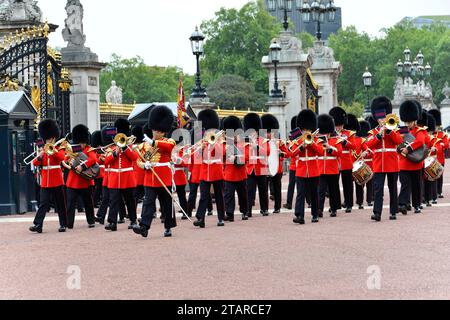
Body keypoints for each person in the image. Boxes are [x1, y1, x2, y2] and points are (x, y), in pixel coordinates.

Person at [133, 105, 177, 238]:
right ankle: (144, 227)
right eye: (155, 131)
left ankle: (168, 227)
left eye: (159, 131)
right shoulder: (145, 145)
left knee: (166, 203)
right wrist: (144, 165)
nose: (156, 133)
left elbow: (168, 147)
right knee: (148, 203)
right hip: (150, 178)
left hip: (163, 177)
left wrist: (153, 143)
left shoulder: (169, 141)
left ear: (164, 132)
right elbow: (139, 161)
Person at [366, 97, 403, 222]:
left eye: (383, 118)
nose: (381, 120)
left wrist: (389, 131)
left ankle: (393, 212)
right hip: (378, 164)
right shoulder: (373, 132)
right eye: (380, 118)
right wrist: (378, 136)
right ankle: (377, 212)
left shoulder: (393, 128)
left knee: (393, 189)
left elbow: (399, 141)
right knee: (378, 190)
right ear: (376, 119)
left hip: (392, 163)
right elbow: (369, 144)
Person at [29, 119, 67, 234]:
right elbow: (35, 163)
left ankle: (63, 224)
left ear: (54, 137)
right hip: (46, 180)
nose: (48, 140)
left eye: (49, 138)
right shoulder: (43, 149)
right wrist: (40, 156)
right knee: (43, 203)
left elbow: (62, 158)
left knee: (60, 204)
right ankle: (38, 224)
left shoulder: (59, 147)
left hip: (57, 180)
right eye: (47, 138)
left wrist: (53, 150)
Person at [193, 109, 226, 228]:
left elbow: (221, 153)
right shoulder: (202, 142)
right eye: (207, 131)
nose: (208, 132)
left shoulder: (220, 140)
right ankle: (201, 218)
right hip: (205, 171)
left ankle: (221, 218)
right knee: (203, 196)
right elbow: (196, 157)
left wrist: (213, 144)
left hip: (216, 170)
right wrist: (201, 148)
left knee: (219, 195)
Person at [105, 119, 139, 232]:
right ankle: (112, 222)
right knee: (113, 201)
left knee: (130, 200)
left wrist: (124, 149)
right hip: (115, 179)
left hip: (127, 178)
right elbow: (106, 161)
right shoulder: (112, 149)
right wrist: (115, 153)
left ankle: (133, 220)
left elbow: (134, 158)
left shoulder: (130, 148)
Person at [291, 110, 322, 224]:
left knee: (314, 194)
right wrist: (301, 147)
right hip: (301, 170)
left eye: (307, 130)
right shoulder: (297, 140)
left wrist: (311, 143)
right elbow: (292, 153)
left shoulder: (316, 139)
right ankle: (299, 216)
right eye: (304, 130)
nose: (306, 131)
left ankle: (315, 215)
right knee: (300, 194)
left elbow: (320, 151)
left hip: (313, 170)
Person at [398, 101, 428, 215]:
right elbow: (397, 143)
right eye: (406, 121)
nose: (408, 124)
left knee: (416, 186)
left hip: (415, 163)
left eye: (409, 121)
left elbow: (420, 142)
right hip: (404, 163)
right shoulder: (402, 131)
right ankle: (402, 204)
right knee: (404, 184)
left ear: (415, 120)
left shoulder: (420, 130)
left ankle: (416, 205)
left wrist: (409, 149)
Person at [65, 124, 97, 229]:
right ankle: (69, 223)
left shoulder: (89, 149)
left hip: (85, 181)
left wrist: (82, 166)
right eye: (79, 142)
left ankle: (91, 221)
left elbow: (93, 159)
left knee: (88, 203)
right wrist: (69, 161)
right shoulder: (72, 148)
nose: (81, 145)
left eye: (82, 143)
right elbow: (65, 159)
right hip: (73, 181)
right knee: (70, 204)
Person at [222, 116, 249, 222]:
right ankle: (229, 214)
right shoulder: (226, 144)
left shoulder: (243, 143)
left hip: (241, 173)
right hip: (229, 173)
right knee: (228, 195)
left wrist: (236, 158)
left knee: (242, 195)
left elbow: (247, 157)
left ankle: (244, 212)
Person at [330, 107, 355, 213]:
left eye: (340, 125)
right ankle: (335, 205)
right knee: (334, 185)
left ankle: (349, 204)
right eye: (337, 125)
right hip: (335, 162)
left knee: (347, 184)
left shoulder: (349, 134)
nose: (339, 127)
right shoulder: (330, 134)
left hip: (346, 161)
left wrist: (344, 142)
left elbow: (353, 146)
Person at [317, 114, 343, 218]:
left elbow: (339, 152)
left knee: (333, 190)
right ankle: (319, 209)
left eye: (327, 132)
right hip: (321, 168)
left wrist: (329, 148)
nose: (326, 134)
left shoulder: (336, 140)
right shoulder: (318, 140)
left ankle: (334, 209)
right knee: (321, 190)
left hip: (332, 168)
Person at [245, 113, 270, 218]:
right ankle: (248, 210)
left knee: (263, 190)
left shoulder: (263, 140)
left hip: (261, 168)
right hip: (250, 169)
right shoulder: (246, 142)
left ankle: (264, 209)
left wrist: (257, 147)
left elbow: (267, 152)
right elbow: (245, 155)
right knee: (250, 191)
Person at [262, 114, 287, 214]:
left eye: (270, 132)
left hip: (277, 168)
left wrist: (281, 154)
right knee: (264, 189)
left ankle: (277, 207)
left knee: (277, 188)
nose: (268, 134)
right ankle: (265, 208)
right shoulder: (261, 142)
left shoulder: (279, 142)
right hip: (265, 168)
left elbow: (288, 153)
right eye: (267, 132)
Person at [428, 109, 448, 199]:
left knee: (440, 176)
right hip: (431, 159)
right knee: (432, 177)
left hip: (440, 159)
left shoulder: (442, 134)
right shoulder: (429, 135)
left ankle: (439, 192)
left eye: (436, 126)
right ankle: (433, 192)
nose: (435, 127)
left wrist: (442, 145)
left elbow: (446, 144)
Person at [355, 120, 374, 209]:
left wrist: (366, 153)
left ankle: (369, 200)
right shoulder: (358, 140)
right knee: (360, 183)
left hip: (370, 163)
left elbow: (372, 152)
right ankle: (360, 201)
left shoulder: (370, 139)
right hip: (360, 163)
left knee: (370, 183)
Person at [284, 116, 301, 210]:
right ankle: (289, 203)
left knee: (301, 186)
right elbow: (289, 153)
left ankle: (309, 201)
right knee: (291, 185)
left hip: (300, 165)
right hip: (293, 166)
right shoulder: (291, 139)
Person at [91, 130, 103, 208]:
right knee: (98, 188)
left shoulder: (102, 149)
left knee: (99, 188)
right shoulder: (95, 150)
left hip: (101, 172)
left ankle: (97, 201)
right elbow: (95, 160)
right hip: (99, 172)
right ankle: (95, 201)